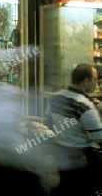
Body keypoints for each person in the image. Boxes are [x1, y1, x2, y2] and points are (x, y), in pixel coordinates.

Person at [45, 64, 102, 196]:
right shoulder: (85, 105)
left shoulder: (56, 97)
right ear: (86, 81)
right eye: (95, 79)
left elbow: (48, 121)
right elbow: (99, 138)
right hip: (81, 160)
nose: (96, 83)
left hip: (60, 155)